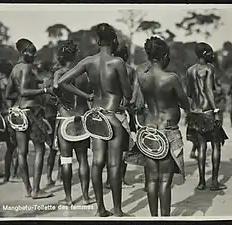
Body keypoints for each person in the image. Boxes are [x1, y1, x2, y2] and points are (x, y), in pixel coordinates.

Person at [55, 23, 132, 217]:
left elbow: (62, 81)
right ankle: (117, 210)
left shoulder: (88, 61)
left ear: (98, 41)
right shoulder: (117, 63)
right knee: (113, 165)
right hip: (113, 116)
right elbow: (128, 95)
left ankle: (100, 209)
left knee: (97, 162)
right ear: (114, 41)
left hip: (95, 117)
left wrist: (85, 95)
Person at [131, 37, 189, 216]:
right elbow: (185, 103)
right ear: (164, 56)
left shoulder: (141, 77)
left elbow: (136, 103)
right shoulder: (171, 78)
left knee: (151, 178)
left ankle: (153, 218)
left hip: (148, 132)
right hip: (167, 131)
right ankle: (165, 219)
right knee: (165, 180)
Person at [7, 38, 54, 199]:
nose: (34, 56)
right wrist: (44, 90)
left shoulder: (14, 70)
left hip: (18, 113)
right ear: (23, 52)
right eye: (31, 53)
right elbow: (23, 91)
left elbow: (9, 94)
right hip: (32, 112)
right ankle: (36, 190)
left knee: (22, 152)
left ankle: (27, 189)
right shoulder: (27, 68)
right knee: (40, 149)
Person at [52, 40, 94, 206]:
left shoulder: (59, 72)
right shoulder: (83, 74)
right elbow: (90, 93)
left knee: (66, 160)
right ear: (76, 55)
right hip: (82, 120)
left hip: (65, 119)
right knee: (83, 159)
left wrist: (56, 95)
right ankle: (85, 197)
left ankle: (69, 198)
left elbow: (56, 87)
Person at [186, 42, 228, 191]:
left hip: (196, 112)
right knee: (216, 144)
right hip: (208, 111)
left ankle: (202, 182)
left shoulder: (190, 71)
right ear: (205, 54)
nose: (213, 55)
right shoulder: (209, 69)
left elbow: (189, 93)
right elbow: (209, 91)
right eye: (210, 52)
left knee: (202, 147)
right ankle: (214, 182)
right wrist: (216, 110)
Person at [104, 44, 135, 189]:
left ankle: (108, 180)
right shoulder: (129, 70)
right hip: (121, 112)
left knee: (107, 147)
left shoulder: (106, 67)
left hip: (106, 111)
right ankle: (119, 179)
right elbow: (131, 95)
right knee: (123, 148)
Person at [38, 61, 62, 186]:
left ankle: (49, 176)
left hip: (47, 117)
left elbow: (41, 100)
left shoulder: (45, 83)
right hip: (56, 117)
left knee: (53, 149)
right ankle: (58, 177)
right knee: (60, 148)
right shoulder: (58, 83)